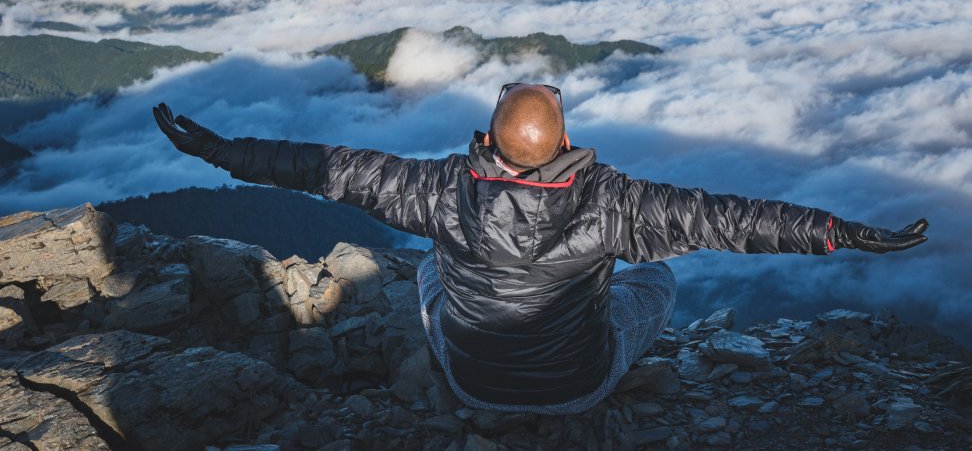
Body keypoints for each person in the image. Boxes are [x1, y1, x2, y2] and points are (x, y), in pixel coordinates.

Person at [152, 83, 928, 414]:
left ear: (488, 139)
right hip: (578, 384)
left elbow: (321, 168)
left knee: (430, 261)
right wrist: (841, 232)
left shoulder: (438, 191)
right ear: (566, 141)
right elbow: (736, 218)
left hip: (469, 376)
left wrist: (222, 151)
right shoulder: (616, 204)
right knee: (655, 280)